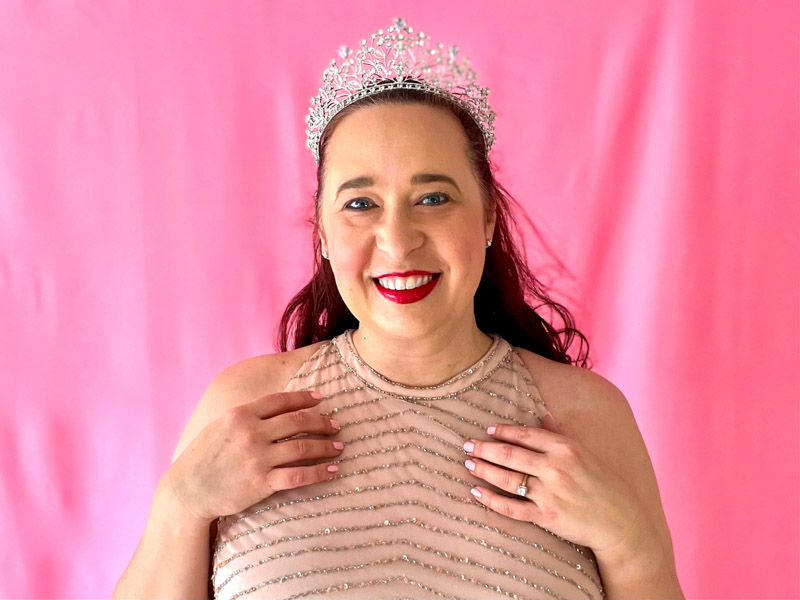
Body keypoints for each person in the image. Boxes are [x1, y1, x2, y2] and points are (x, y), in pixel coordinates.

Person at [113, 18, 683, 600]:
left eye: (433, 198)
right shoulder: (244, 406)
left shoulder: (588, 417)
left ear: (488, 217)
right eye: (361, 203)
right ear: (324, 235)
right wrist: (178, 508)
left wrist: (629, 543)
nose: (397, 238)